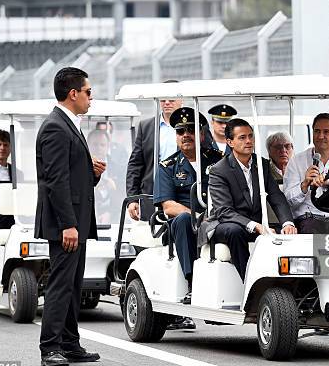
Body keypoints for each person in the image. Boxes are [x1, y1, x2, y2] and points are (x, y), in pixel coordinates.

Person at [36, 67, 104, 366]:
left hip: (76, 220)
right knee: (61, 284)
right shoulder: (55, 127)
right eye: (88, 92)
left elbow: (73, 176)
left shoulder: (69, 125)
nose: (91, 97)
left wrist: (92, 173)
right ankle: (50, 347)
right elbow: (56, 181)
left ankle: (69, 342)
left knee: (74, 285)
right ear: (73, 93)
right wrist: (68, 224)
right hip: (67, 224)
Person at [199, 119, 296, 281]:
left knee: (289, 233)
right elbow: (224, 212)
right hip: (224, 224)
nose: (249, 141)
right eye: (242, 137)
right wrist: (257, 226)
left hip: (256, 224)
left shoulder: (262, 164)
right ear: (230, 142)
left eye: (251, 136)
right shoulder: (219, 170)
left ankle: (288, 284)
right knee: (235, 232)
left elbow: (276, 196)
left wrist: (288, 223)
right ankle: (249, 283)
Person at [154, 107, 222, 311]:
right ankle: (193, 281)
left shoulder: (218, 159)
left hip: (217, 217)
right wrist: (197, 217)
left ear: (201, 134)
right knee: (183, 220)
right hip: (185, 225)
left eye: (191, 130)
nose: (185, 135)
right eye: (180, 131)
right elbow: (168, 206)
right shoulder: (167, 166)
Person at [126, 80, 182, 221]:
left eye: (171, 99)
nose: (167, 103)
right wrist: (132, 199)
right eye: (163, 99)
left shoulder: (196, 125)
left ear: (181, 99)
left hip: (183, 194)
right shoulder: (146, 126)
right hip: (152, 195)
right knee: (153, 238)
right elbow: (135, 165)